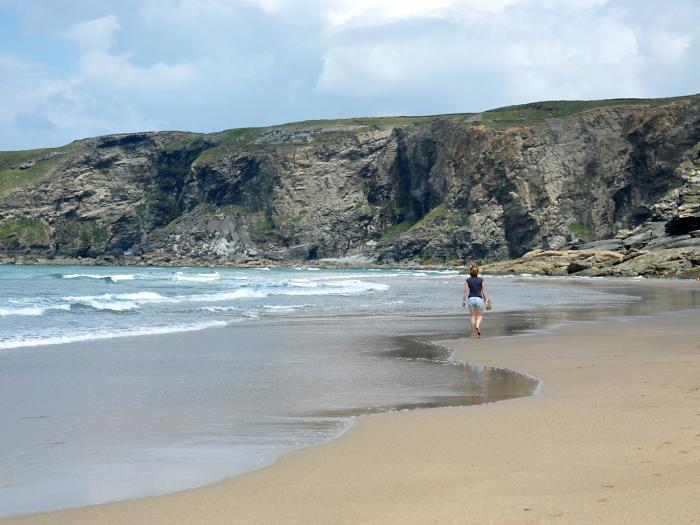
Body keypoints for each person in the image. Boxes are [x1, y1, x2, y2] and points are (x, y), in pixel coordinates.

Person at [462, 264, 489, 337]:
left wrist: (464, 301)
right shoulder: (481, 280)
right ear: (477, 272)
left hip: (470, 299)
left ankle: (473, 332)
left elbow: (465, 291)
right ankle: (477, 325)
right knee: (480, 316)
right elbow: (484, 291)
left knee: (472, 316)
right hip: (479, 299)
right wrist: (486, 299)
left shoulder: (468, 280)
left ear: (470, 272)